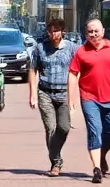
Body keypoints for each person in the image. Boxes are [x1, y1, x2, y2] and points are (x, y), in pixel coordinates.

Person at [68, 18, 110, 184]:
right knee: (94, 130)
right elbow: (73, 74)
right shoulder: (81, 51)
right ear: (86, 33)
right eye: (90, 31)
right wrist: (71, 97)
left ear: (103, 32)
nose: (94, 34)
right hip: (89, 98)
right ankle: (96, 169)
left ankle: (102, 153)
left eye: (96, 31)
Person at [28, 18, 79, 175]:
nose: (52, 34)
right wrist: (32, 94)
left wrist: (75, 94)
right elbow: (32, 69)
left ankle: (53, 153)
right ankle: (56, 162)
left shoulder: (72, 48)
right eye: (50, 31)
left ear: (63, 32)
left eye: (56, 31)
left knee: (63, 127)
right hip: (45, 92)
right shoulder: (40, 48)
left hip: (64, 93)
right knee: (50, 128)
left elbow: (79, 71)